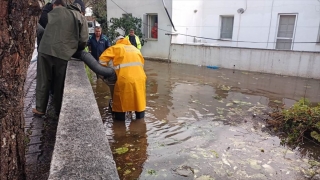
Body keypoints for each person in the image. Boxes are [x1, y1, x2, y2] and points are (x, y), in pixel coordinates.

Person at [32, 0, 89, 115]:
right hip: (63, 52)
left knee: (43, 80)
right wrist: (77, 48)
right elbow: (83, 40)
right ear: (82, 10)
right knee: (59, 83)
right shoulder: (80, 17)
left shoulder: (57, 10)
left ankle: (40, 109)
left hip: (45, 49)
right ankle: (58, 110)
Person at [99, 36, 147, 121]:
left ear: (117, 41)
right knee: (138, 101)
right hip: (140, 78)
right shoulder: (135, 49)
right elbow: (141, 64)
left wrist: (105, 73)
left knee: (121, 101)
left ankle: (120, 125)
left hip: (125, 78)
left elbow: (102, 60)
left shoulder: (115, 48)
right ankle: (140, 123)